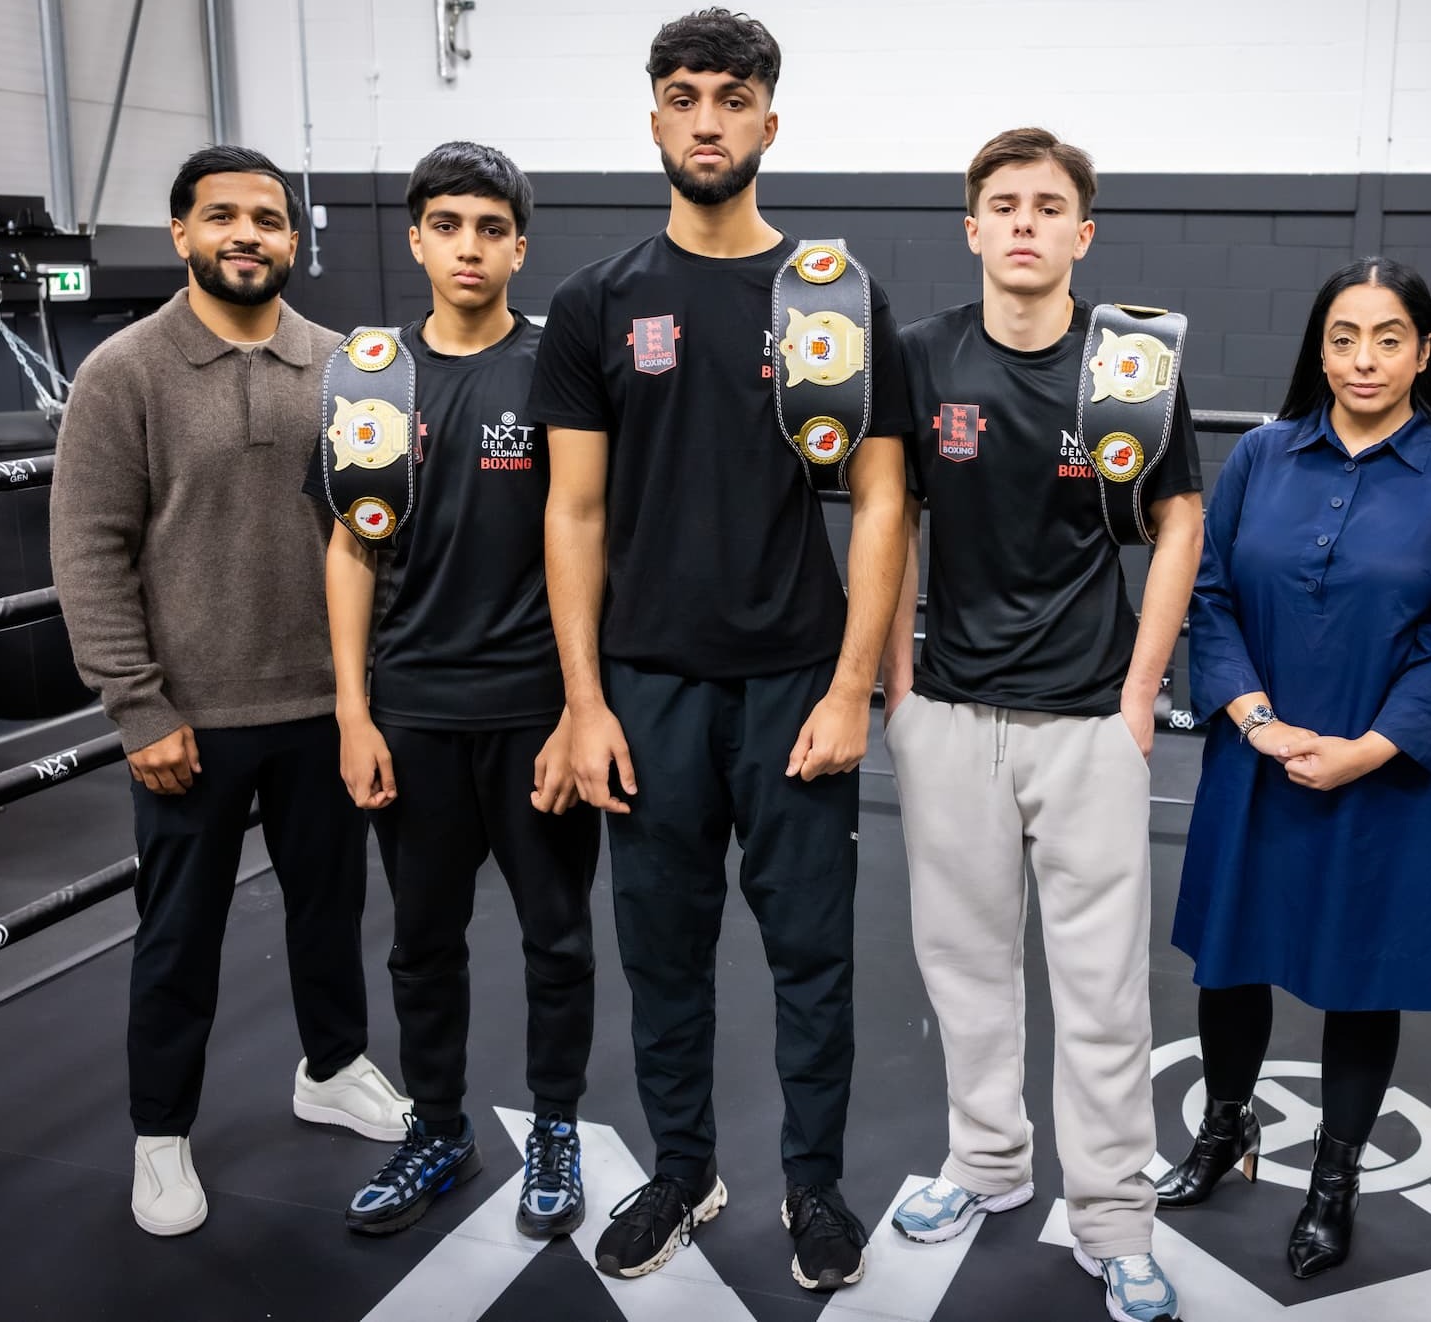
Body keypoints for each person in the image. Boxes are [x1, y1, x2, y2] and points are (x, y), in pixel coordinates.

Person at [526, 8, 911, 1294]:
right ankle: (684, 1168)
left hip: (799, 684)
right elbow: (571, 512)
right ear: (653, 118)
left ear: (768, 121)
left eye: (730, 98)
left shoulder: (836, 298)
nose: (706, 118)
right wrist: (581, 701)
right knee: (663, 954)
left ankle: (813, 1185)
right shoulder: (597, 302)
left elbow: (881, 504)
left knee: (812, 959)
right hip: (645, 691)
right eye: (683, 96)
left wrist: (855, 684)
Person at [49, 145, 409, 1238]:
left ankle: (333, 1064)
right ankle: (161, 1136)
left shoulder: (351, 364)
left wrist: (368, 692)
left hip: (324, 703)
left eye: (267, 218)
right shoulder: (124, 371)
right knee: (178, 937)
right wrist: (138, 706)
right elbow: (89, 549)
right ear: (182, 235)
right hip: (189, 719)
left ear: (295, 241)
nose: (247, 234)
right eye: (222, 218)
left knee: (330, 911)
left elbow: (377, 535)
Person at [882, 128, 1203, 1322]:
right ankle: (986, 1161)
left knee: (1102, 988)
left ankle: (1114, 1217)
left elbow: (1178, 521)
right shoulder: (916, 358)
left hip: (1085, 724)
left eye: (1047, 204)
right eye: (1001, 204)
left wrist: (1137, 692)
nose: (1022, 221)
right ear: (970, 229)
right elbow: (885, 514)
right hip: (950, 712)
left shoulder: (1127, 365)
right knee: (963, 966)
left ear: (1083, 232)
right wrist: (890, 681)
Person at [1158, 257, 1431, 1281]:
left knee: (1359, 975)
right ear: (1317, 346)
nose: (1363, 357)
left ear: (1422, 352)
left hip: (1381, 768)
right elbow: (1209, 593)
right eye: (1344, 335)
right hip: (1253, 754)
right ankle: (1226, 1131)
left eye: (1387, 336)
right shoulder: (1262, 457)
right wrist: (1255, 719)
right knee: (1230, 956)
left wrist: (1366, 748)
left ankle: (1334, 1178)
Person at [307, 142, 602, 1240]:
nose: (468, 246)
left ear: (519, 244)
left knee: (556, 937)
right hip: (413, 713)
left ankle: (557, 1126)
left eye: (490, 227)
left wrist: (583, 706)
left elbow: (592, 531)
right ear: (416, 237)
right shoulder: (369, 371)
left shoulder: (557, 366)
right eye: (447, 225)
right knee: (421, 940)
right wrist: (351, 708)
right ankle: (437, 1126)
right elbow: (348, 547)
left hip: (534, 710)